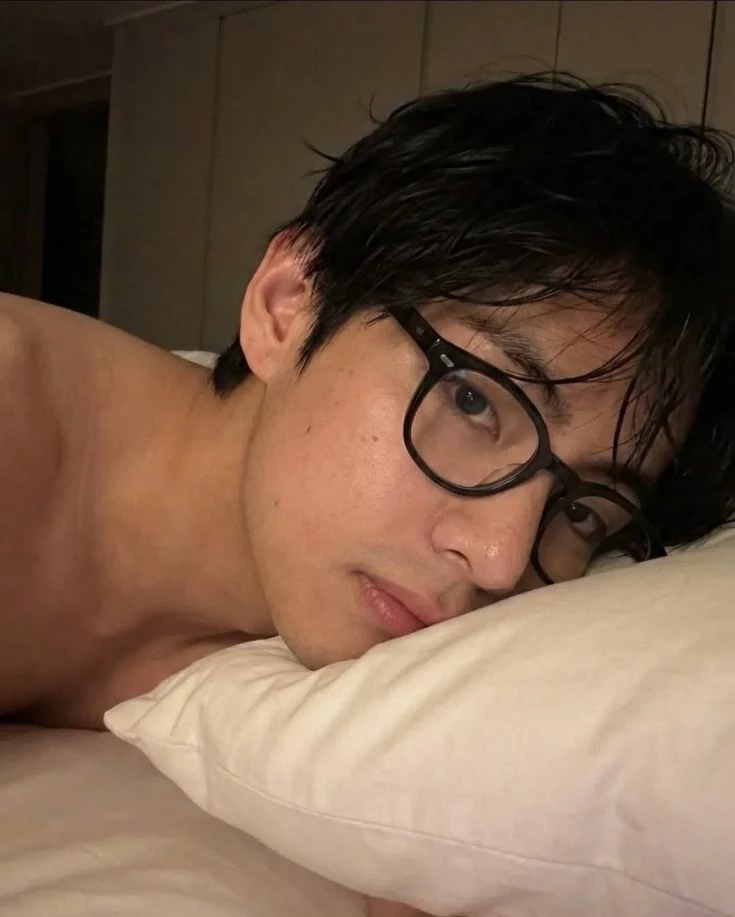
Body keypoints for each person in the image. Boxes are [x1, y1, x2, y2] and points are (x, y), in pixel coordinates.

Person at [1, 72, 734, 917]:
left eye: (580, 509)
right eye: (474, 401)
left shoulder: (297, 663)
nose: (498, 559)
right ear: (287, 305)